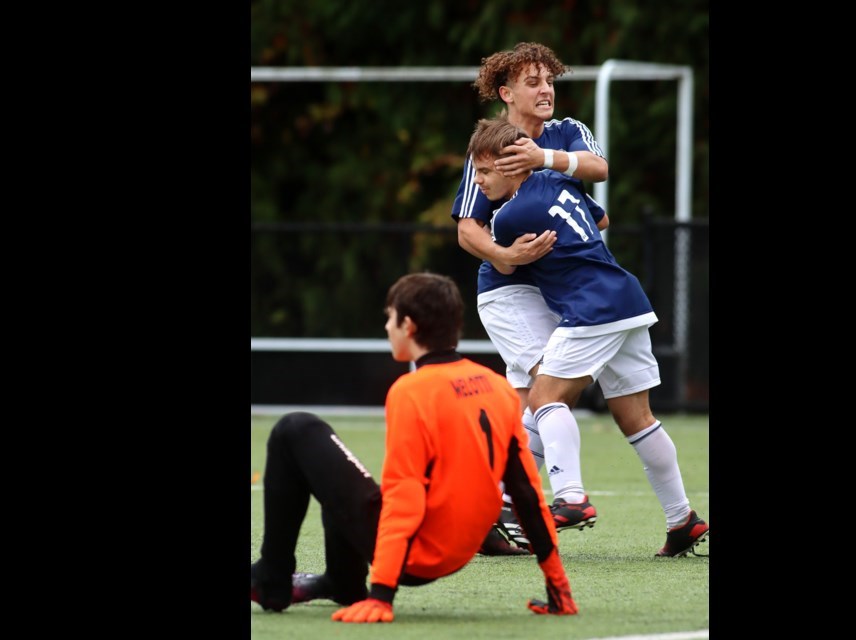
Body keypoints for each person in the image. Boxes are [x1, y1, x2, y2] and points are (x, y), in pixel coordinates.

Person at [250, 272, 579, 621]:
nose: (387, 327)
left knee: (295, 427)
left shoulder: (411, 391)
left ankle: (272, 579)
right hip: (457, 552)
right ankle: (342, 582)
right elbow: (526, 492)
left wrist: (381, 597)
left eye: (389, 318)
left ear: (408, 325)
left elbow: (404, 499)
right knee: (337, 466)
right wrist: (558, 585)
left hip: (415, 557)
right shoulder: (496, 386)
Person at [467, 118, 709, 558]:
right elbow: (601, 218)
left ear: (510, 163)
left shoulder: (509, 216)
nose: (478, 182)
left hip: (591, 308)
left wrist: (510, 252)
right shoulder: (557, 182)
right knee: (637, 418)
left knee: (543, 398)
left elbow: (503, 266)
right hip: (628, 300)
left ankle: (571, 497)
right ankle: (682, 520)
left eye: (484, 171)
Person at [451, 42, 609, 550]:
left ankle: (488, 509)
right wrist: (507, 255)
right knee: (551, 388)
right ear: (506, 93)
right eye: (534, 82)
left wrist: (547, 161)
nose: (546, 91)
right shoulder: (492, 143)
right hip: (509, 291)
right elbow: (467, 230)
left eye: (549, 81)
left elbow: (598, 171)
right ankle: (563, 497)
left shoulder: (569, 132)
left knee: (529, 405)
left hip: (553, 293)